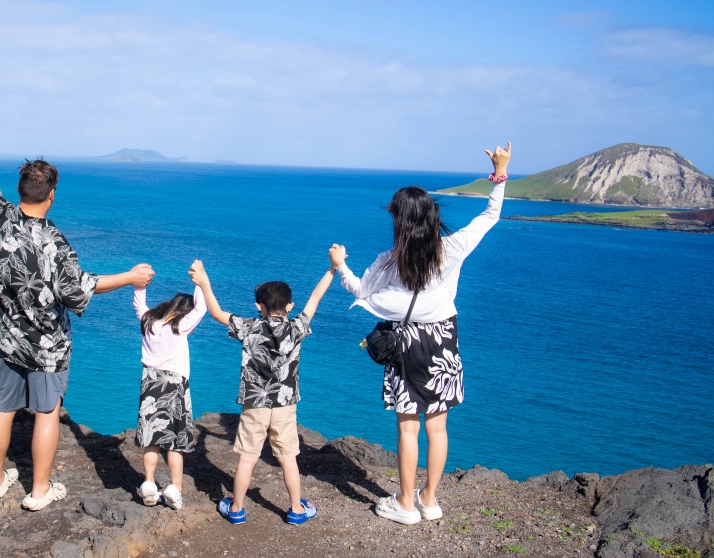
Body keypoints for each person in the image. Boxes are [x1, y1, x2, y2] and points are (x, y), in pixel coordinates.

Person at [0, 99, 155, 511]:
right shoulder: (54, 244)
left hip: (5, 338)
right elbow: (78, 291)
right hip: (46, 346)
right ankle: (40, 491)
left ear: (20, 191)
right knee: (47, 412)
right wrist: (130, 277)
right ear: (51, 195)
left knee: (1, 406)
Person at [329, 142, 511, 525]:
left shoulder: (389, 261)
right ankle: (430, 500)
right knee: (438, 426)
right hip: (444, 339)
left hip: (407, 343)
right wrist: (499, 175)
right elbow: (490, 216)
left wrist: (341, 265)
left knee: (408, 428)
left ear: (398, 220)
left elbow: (360, 291)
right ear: (431, 216)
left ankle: (406, 504)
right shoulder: (452, 249)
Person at [189, 259, 335, 525]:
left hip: (254, 403)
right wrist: (333, 269)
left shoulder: (250, 327)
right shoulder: (297, 328)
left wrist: (204, 281)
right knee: (288, 458)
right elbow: (316, 297)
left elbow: (216, 313)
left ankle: (236, 509)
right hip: (285, 405)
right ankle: (296, 510)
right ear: (289, 306)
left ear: (259, 306)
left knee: (248, 458)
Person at [133, 281, 208, 510]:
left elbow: (139, 303)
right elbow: (202, 308)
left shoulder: (149, 322)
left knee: (151, 438)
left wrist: (140, 283)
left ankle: (148, 483)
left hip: (150, 385)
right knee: (175, 442)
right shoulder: (180, 326)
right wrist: (200, 281)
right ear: (182, 312)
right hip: (174, 387)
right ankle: (174, 488)